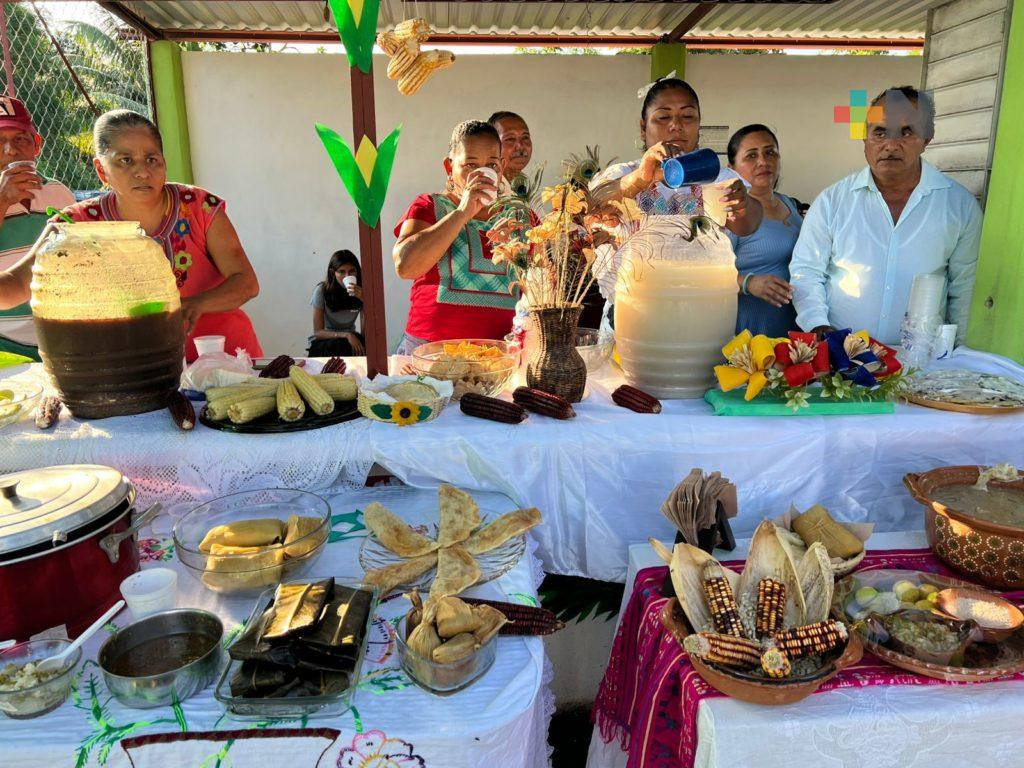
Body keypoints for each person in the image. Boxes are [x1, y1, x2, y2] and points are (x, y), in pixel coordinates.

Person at [61, 110, 262, 362]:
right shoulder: (80, 223)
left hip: (226, 360)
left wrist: (195, 304)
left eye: (151, 159)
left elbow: (247, 283)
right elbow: (26, 280)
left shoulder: (199, 207)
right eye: (125, 160)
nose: (142, 172)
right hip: (133, 367)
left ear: (164, 163)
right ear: (101, 170)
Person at [790, 86, 982, 345]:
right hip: (842, 358)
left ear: (927, 137)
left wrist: (960, 352)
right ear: (865, 138)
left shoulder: (959, 205)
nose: (890, 145)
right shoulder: (832, 202)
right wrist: (818, 326)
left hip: (921, 359)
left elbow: (965, 288)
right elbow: (806, 272)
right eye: (880, 132)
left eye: (906, 132)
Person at [393, 120, 513, 352]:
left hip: (500, 356)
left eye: (492, 164)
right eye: (470, 165)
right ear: (449, 168)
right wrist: (462, 213)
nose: (482, 174)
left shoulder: (518, 216)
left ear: (502, 167)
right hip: (432, 352)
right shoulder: (429, 206)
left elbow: (542, 288)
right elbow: (405, 266)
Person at [593, 77, 762, 236]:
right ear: (643, 128)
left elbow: (748, 225)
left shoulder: (716, 177)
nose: (676, 125)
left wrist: (743, 205)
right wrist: (640, 179)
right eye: (663, 117)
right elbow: (591, 206)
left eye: (688, 116)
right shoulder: (623, 173)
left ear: (699, 126)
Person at [0, 97, 75, 360]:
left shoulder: (58, 193)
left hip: (58, 336)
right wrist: (3, 199)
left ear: (37, 145)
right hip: (4, 344)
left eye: (21, 139)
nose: (10, 150)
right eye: (0, 140)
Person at [726, 124, 802, 337]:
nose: (763, 161)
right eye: (751, 156)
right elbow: (705, 277)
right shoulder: (731, 213)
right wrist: (749, 283)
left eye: (770, 153)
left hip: (790, 329)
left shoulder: (788, 203)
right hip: (748, 332)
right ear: (732, 168)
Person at [308, 249, 364, 357]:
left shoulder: (361, 291)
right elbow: (318, 332)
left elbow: (366, 331)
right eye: (341, 272)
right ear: (333, 273)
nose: (347, 276)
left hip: (350, 339)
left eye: (352, 271)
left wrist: (364, 299)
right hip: (328, 339)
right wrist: (346, 335)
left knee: (367, 346)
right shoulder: (322, 291)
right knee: (337, 346)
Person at [488, 110, 532, 192]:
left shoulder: (521, 183)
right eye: (510, 139)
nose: (520, 146)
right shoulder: (485, 186)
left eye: (525, 137)